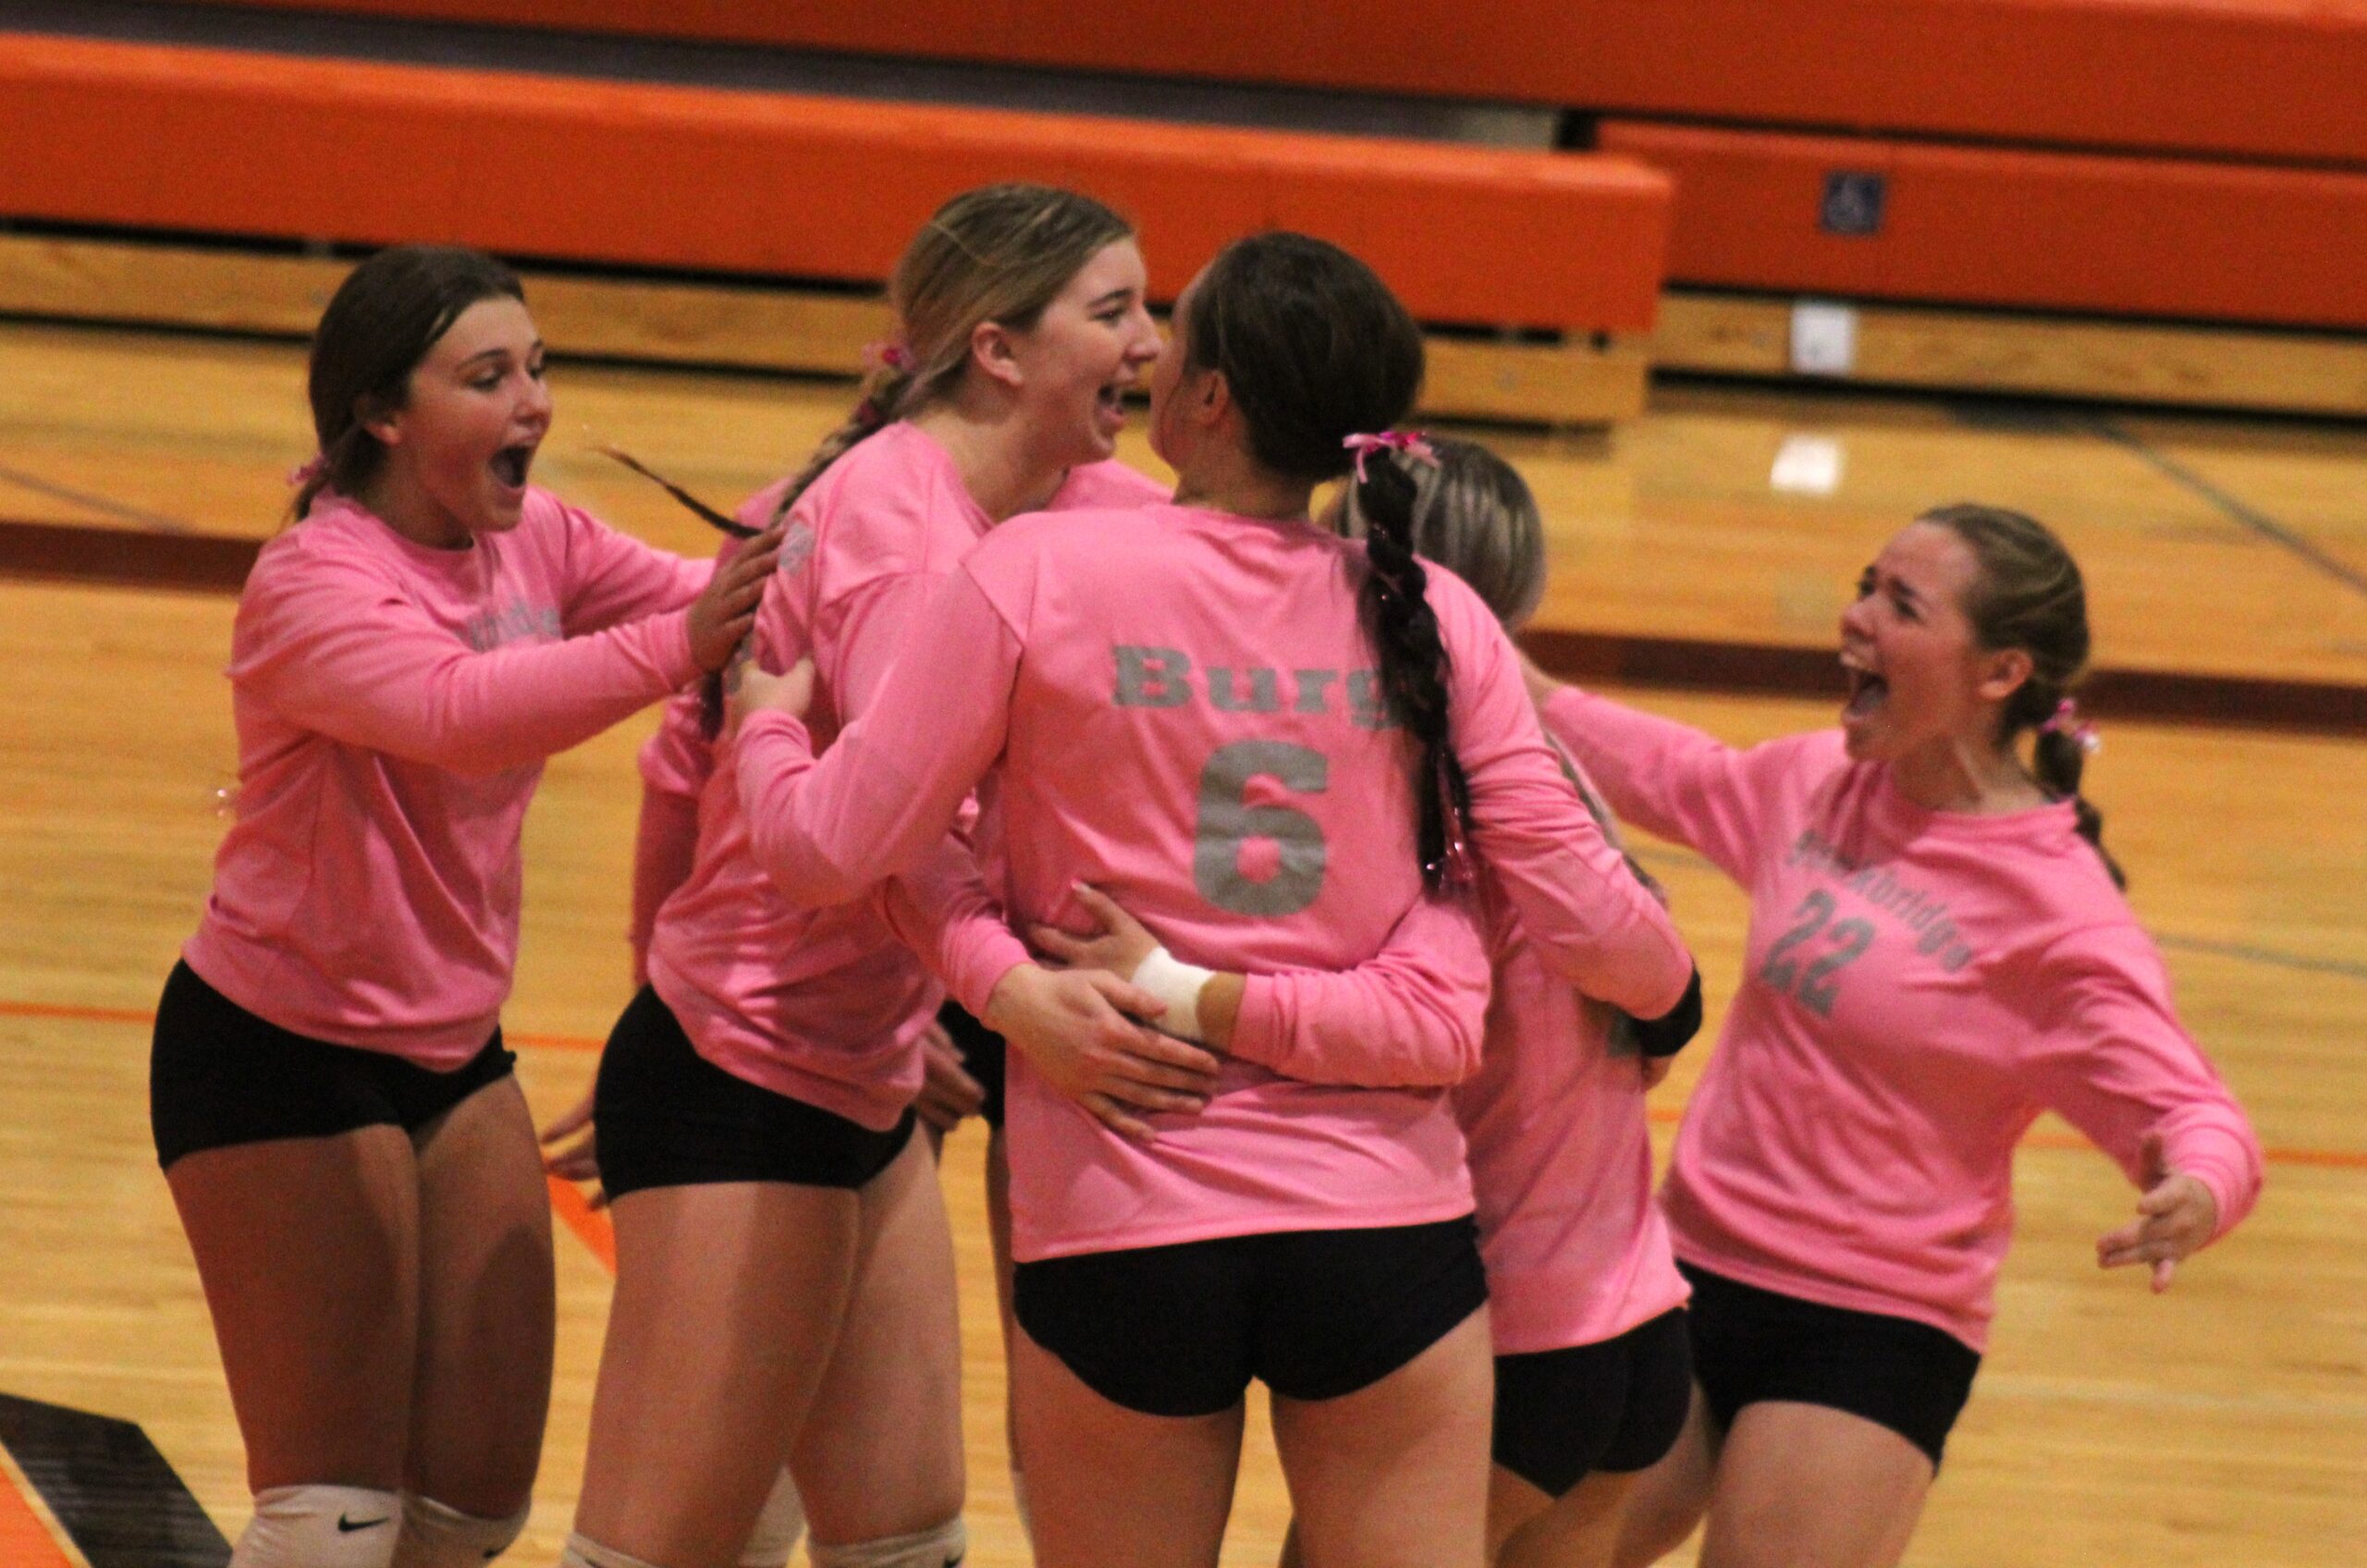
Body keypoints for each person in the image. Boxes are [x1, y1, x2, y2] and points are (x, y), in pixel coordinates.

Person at [728, 232, 1694, 1568]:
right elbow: (1584, 908)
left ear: (1214, 397)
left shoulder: (1034, 571)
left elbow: (838, 854)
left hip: (1125, 1206)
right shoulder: (1431, 610)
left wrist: (768, 733)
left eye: (1174, 335)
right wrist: (1654, 984)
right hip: (1380, 1231)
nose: (1151, 352)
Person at [558, 183, 1215, 1568]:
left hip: (861, 1065)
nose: (1150, 343)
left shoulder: (1053, 489)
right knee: (657, 1551)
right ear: (999, 351)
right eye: (1114, 311)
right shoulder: (902, 547)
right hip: (744, 1072)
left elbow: (1231, 547)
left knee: (903, 1542)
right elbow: (879, 847)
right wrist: (1015, 996)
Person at [150, 243, 777, 1568]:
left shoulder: (538, 538)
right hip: (278, 1049)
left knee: (470, 1513)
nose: (532, 402)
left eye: (537, 368)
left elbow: (722, 599)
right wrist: (685, 645)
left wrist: (861, 535)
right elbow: (461, 714)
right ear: (384, 412)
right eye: (487, 377)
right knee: (335, 1519)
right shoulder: (314, 582)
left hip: (452, 1046)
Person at [1518, 504, 2264, 1568]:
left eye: (1901, 605)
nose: (1856, 617)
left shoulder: (2058, 912)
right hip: (1681, 1264)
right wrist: (1506, 673)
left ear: (1999, 671)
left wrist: (2198, 1188)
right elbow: (1672, 770)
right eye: (1866, 585)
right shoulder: (1818, 780)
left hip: (1873, 1323)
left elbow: (2192, 1111)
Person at [1049, 438, 1703, 1568]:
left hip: (1516, 1336)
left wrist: (1172, 986)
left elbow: (1405, 1023)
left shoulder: (1440, 787)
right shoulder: (1558, 772)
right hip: (1634, 1327)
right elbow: (1654, 1011)